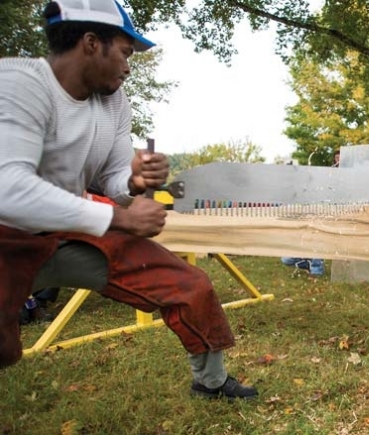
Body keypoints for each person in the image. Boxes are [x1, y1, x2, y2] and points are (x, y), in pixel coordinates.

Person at [0, 0, 257, 400]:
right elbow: (9, 191)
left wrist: (135, 180)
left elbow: (114, 178)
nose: (129, 64)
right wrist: (119, 220)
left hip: (69, 227)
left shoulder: (115, 102)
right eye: (124, 51)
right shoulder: (19, 83)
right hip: (8, 236)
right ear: (90, 43)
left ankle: (211, 383)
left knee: (187, 284)